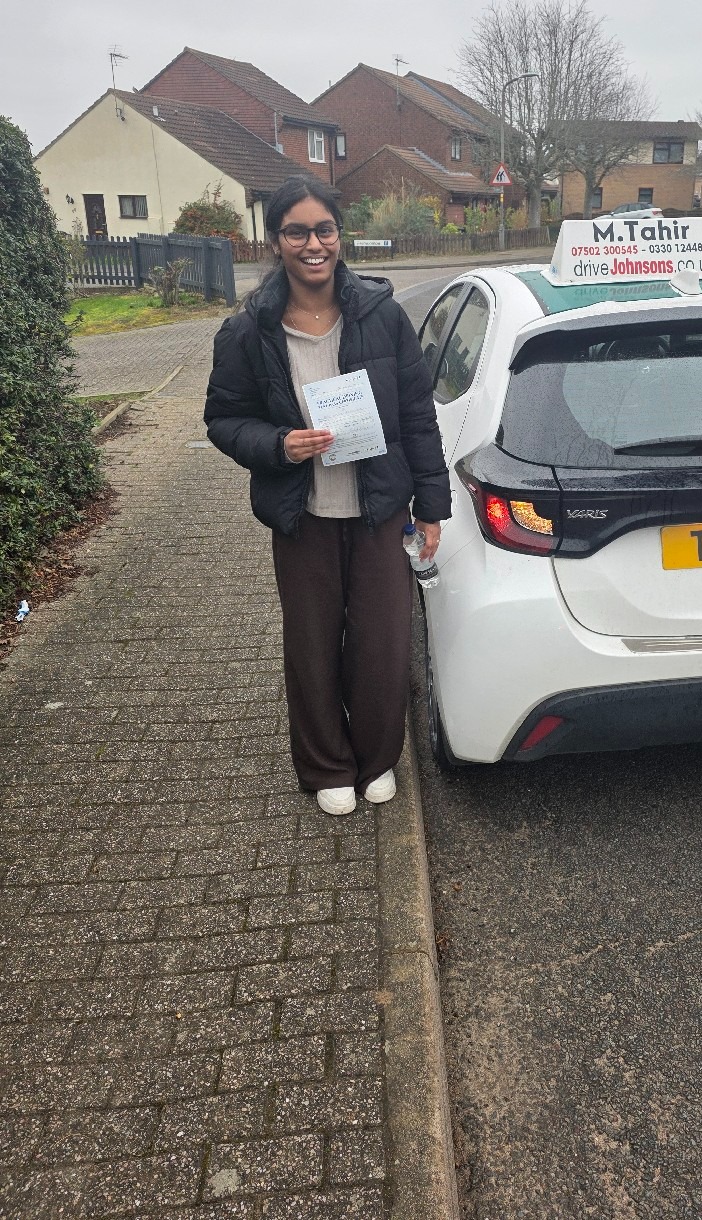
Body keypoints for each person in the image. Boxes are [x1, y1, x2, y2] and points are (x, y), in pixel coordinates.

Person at [204, 176, 450, 816]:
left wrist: (432, 508)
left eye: (324, 230)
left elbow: (419, 417)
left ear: (339, 237)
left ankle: (376, 759)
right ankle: (325, 765)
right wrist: (278, 445)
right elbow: (224, 420)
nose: (313, 244)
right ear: (275, 240)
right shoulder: (248, 330)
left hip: (379, 508)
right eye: (296, 232)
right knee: (311, 643)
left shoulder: (381, 314)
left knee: (382, 641)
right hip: (303, 514)